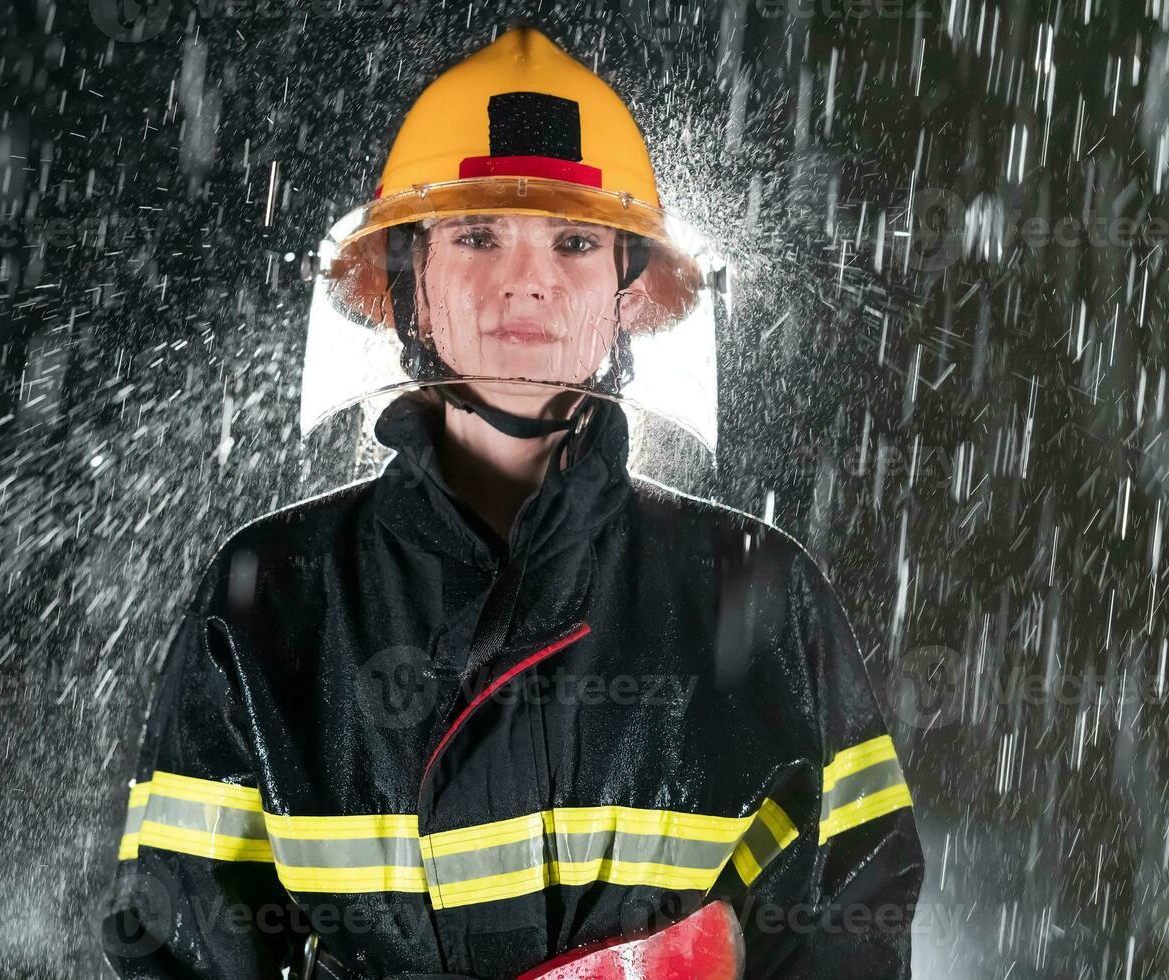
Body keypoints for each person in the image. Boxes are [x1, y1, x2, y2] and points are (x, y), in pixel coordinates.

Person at [100, 25, 923, 980]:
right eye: (477, 235)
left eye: (574, 242)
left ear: (626, 291)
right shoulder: (270, 599)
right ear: (409, 280)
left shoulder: (757, 592)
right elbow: (175, 946)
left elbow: (850, 927)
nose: (526, 280)